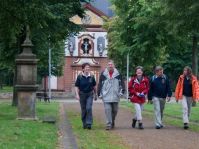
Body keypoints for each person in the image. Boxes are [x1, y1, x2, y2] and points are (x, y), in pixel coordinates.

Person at [97, 60, 125, 130]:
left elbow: (122, 83)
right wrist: (99, 93)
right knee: (108, 109)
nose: (110, 66)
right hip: (106, 95)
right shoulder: (103, 74)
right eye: (109, 64)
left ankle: (112, 121)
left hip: (116, 95)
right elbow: (100, 84)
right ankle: (108, 124)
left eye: (111, 64)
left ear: (114, 66)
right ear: (107, 66)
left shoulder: (118, 74)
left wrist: (122, 91)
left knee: (115, 110)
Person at [75, 63, 97, 130]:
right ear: (83, 69)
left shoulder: (92, 76)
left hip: (90, 94)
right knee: (83, 110)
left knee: (88, 108)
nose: (88, 68)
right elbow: (76, 86)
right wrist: (77, 94)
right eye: (86, 67)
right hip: (82, 94)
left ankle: (89, 123)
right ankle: (84, 123)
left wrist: (96, 94)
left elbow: (94, 86)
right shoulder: (80, 77)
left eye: (88, 67)